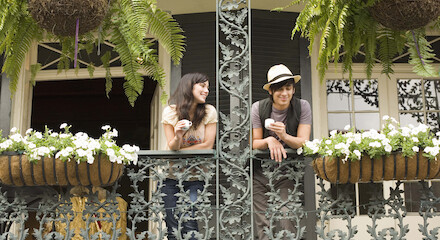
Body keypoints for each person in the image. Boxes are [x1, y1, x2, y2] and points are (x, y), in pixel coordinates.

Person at [251, 64, 312, 239]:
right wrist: (269, 140)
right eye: (279, 89)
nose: (284, 93)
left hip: (287, 174)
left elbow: (304, 142)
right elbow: (254, 142)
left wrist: (283, 136)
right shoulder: (258, 108)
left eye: (288, 88)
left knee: (287, 218)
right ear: (270, 91)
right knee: (263, 224)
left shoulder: (303, 106)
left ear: (293, 90)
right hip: (260, 173)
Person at [161, 72, 217, 240]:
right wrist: (178, 136)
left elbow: (208, 145)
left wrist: (178, 148)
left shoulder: (209, 112)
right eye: (202, 86)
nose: (206, 90)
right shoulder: (170, 112)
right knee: (172, 225)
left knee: (190, 220)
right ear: (189, 87)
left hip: (195, 177)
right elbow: (173, 145)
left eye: (207, 87)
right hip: (170, 177)